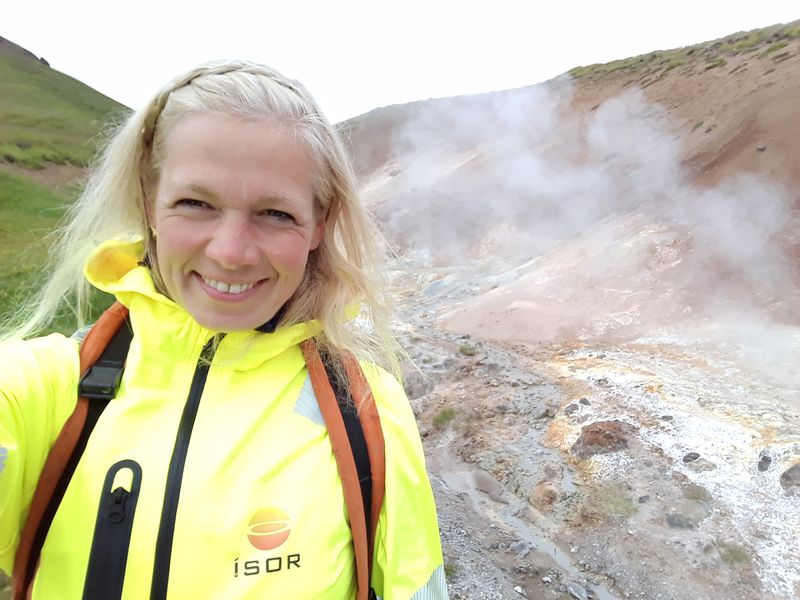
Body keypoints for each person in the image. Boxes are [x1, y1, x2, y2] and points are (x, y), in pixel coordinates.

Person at [0, 60, 447, 599]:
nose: (230, 252)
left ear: (318, 225)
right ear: (150, 208)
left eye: (275, 214)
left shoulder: (368, 408)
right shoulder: (40, 388)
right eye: (195, 203)